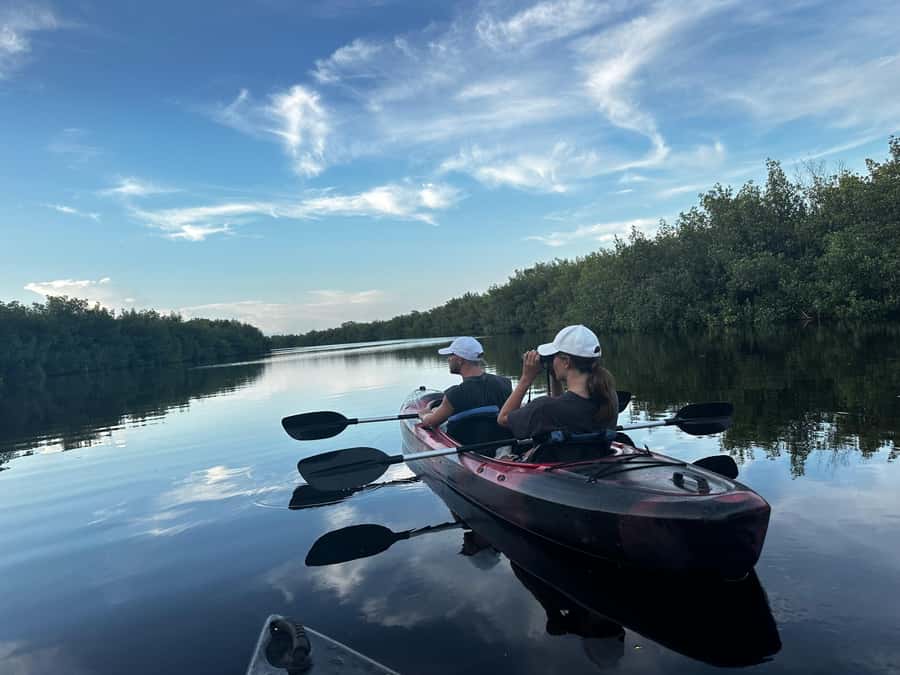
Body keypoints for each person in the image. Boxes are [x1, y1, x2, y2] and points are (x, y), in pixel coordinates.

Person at [497, 325, 617, 441]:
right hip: (598, 459)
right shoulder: (609, 397)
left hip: (558, 460)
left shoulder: (543, 408)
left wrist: (526, 378)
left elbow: (503, 419)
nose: (552, 361)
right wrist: (554, 376)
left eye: (554, 356)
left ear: (566, 362)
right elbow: (565, 404)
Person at [419, 336, 512, 429]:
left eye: (451, 355)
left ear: (460, 360)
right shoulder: (505, 383)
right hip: (504, 441)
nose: (448, 359)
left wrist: (424, 414)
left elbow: (430, 422)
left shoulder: (454, 395)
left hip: (464, 443)